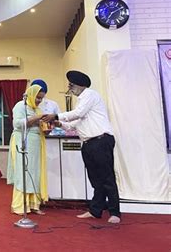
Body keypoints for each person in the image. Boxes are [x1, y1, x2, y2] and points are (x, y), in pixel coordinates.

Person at [43, 70, 121, 224]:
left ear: (80, 85)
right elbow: (73, 125)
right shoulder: (82, 101)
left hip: (101, 141)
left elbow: (78, 114)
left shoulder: (90, 95)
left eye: (71, 85)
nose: (69, 88)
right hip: (88, 144)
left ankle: (115, 212)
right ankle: (95, 210)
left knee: (107, 178)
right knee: (95, 180)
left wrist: (56, 116)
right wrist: (59, 123)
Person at [7, 84, 48, 215]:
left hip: (36, 144)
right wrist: (37, 118)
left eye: (41, 99)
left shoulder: (37, 109)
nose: (39, 101)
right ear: (30, 94)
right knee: (23, 173)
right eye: (37, 98)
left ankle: (33, 204)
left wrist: (47, 127)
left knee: (35, 173)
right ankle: (19, 205)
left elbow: (40, 126)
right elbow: (17, 124)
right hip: (22, 141)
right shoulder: (20, 106)